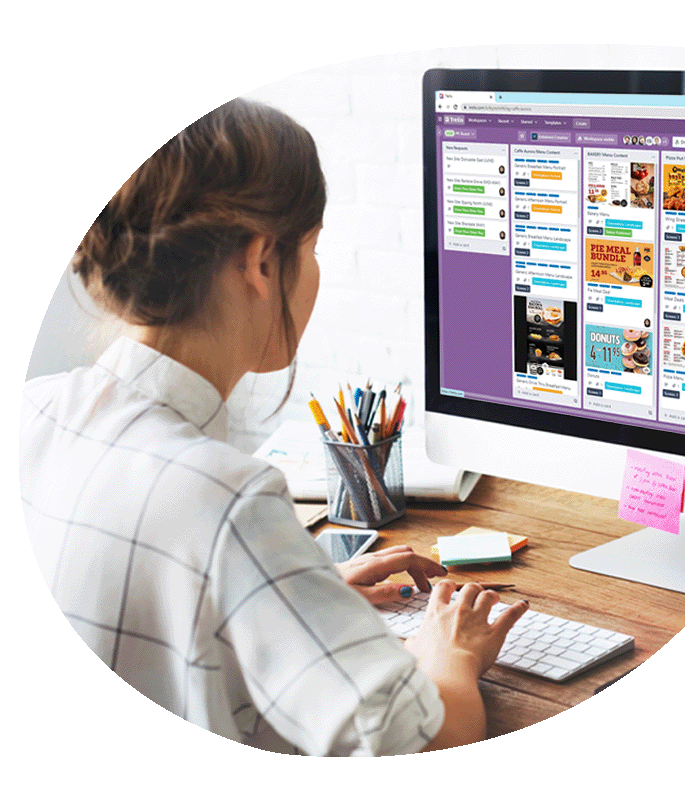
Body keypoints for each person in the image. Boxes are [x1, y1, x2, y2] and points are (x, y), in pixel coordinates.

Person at [20, 98, 528, 756]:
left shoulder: (40, 409)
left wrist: (290, 588)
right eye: (311, 248)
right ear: (262, 261)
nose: (314, 271)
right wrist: (450, 652)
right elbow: (421, 738)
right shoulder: (224, 497)